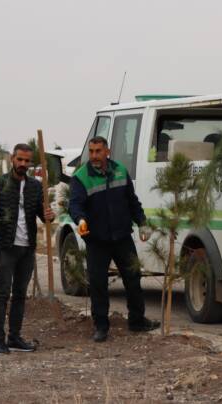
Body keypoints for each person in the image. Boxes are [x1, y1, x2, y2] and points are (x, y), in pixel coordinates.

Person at [69, 136, 160, 342]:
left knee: (133, 278)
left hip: (121, 237)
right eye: (91, 151)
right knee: (99, 284)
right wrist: (80, 219)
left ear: (107, 152)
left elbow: (132, 201)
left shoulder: (120, 170)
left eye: (98, 151)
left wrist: (142, 222)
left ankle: (137, 321)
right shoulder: (81, 177)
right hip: (97, 240)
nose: (94, 155)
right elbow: (75, 205)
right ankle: (101, 326)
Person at [0, 143, 55, 354]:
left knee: (20, 294)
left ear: (30, 162)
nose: (22, 164)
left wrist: (49, 215)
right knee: (3, 292)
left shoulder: (35, 187)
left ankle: (14, 337)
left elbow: (42, 213)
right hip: (5, 246)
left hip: (27, 247)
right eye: (19, 159)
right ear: (12, 158)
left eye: (26, 161)